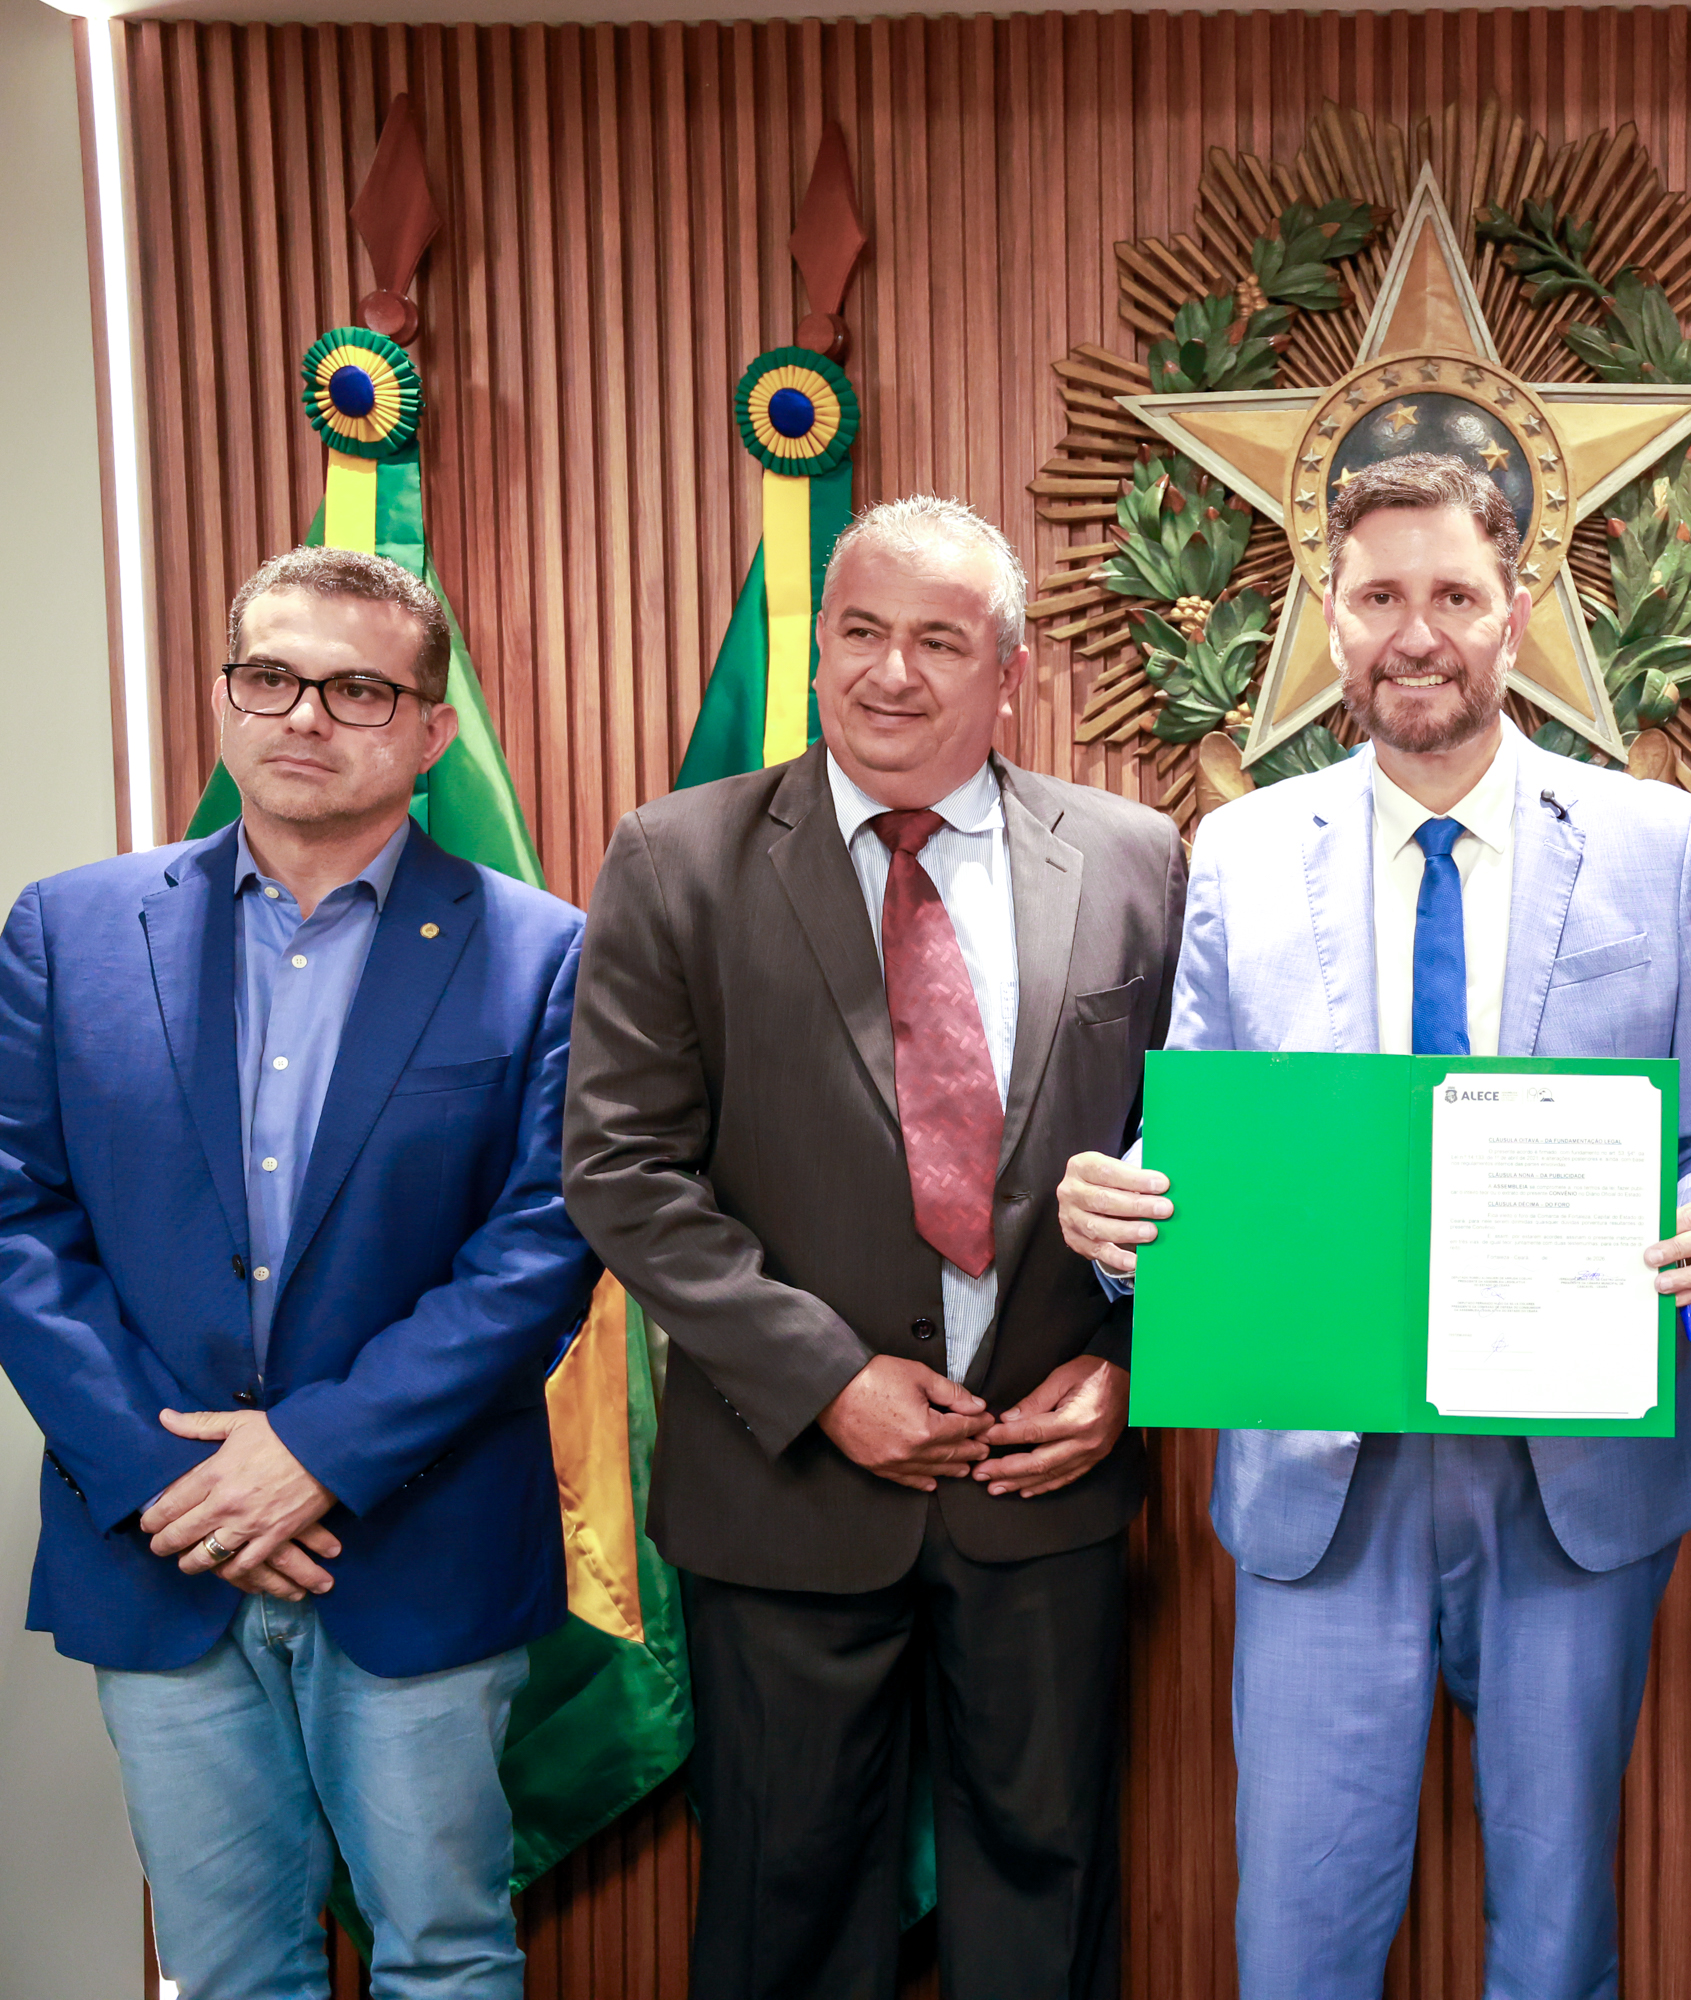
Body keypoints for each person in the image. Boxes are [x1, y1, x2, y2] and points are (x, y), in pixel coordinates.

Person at [1054, 453, 1691, 2000]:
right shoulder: (1243, 851)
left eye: (1454, 593)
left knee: (1560, 1930)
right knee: (1298, 1940)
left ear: (1515, 614)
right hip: (1326, 1476)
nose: (1417, 630)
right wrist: (1117, 1215)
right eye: (1380, 597)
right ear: (1334, 617)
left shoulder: (1652, 842)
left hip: (1576, 1474)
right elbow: (1186, 1145)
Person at [561, 496, 1181, 2000]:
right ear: (820, 646)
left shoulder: (1136, 858)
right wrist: (830, 1380)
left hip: (1046, 1488)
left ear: (1009, 674)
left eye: (938, 640)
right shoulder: (677, 857)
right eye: (859, 632)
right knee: (786, 1910)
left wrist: (1126, 1368)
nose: (889, 674)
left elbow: (1197, 1166)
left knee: (1048, 1899)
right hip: (786, 1494)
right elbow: (621, 1166)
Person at [0, 546, 601, 1998]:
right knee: (223, 1974)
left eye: (355, 687)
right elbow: (19, 1224)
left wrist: (314, 1456)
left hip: (418, 1540)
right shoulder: (70, 929)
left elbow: (544, 1244)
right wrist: (179, 1483)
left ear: (430, 729)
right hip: (159, 1547)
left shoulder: (546, 954)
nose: (302, 716)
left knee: (446, 1958)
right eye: (267, 676)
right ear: (225, 694)